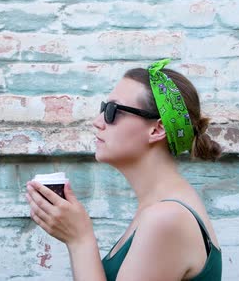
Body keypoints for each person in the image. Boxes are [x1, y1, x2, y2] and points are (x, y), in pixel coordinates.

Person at [26, 59, 223, 281]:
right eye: (103, 108)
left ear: (157, 129)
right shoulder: (160, 208)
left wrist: (80, 239)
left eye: (113, 111)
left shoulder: (166, 218)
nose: (97, 121)